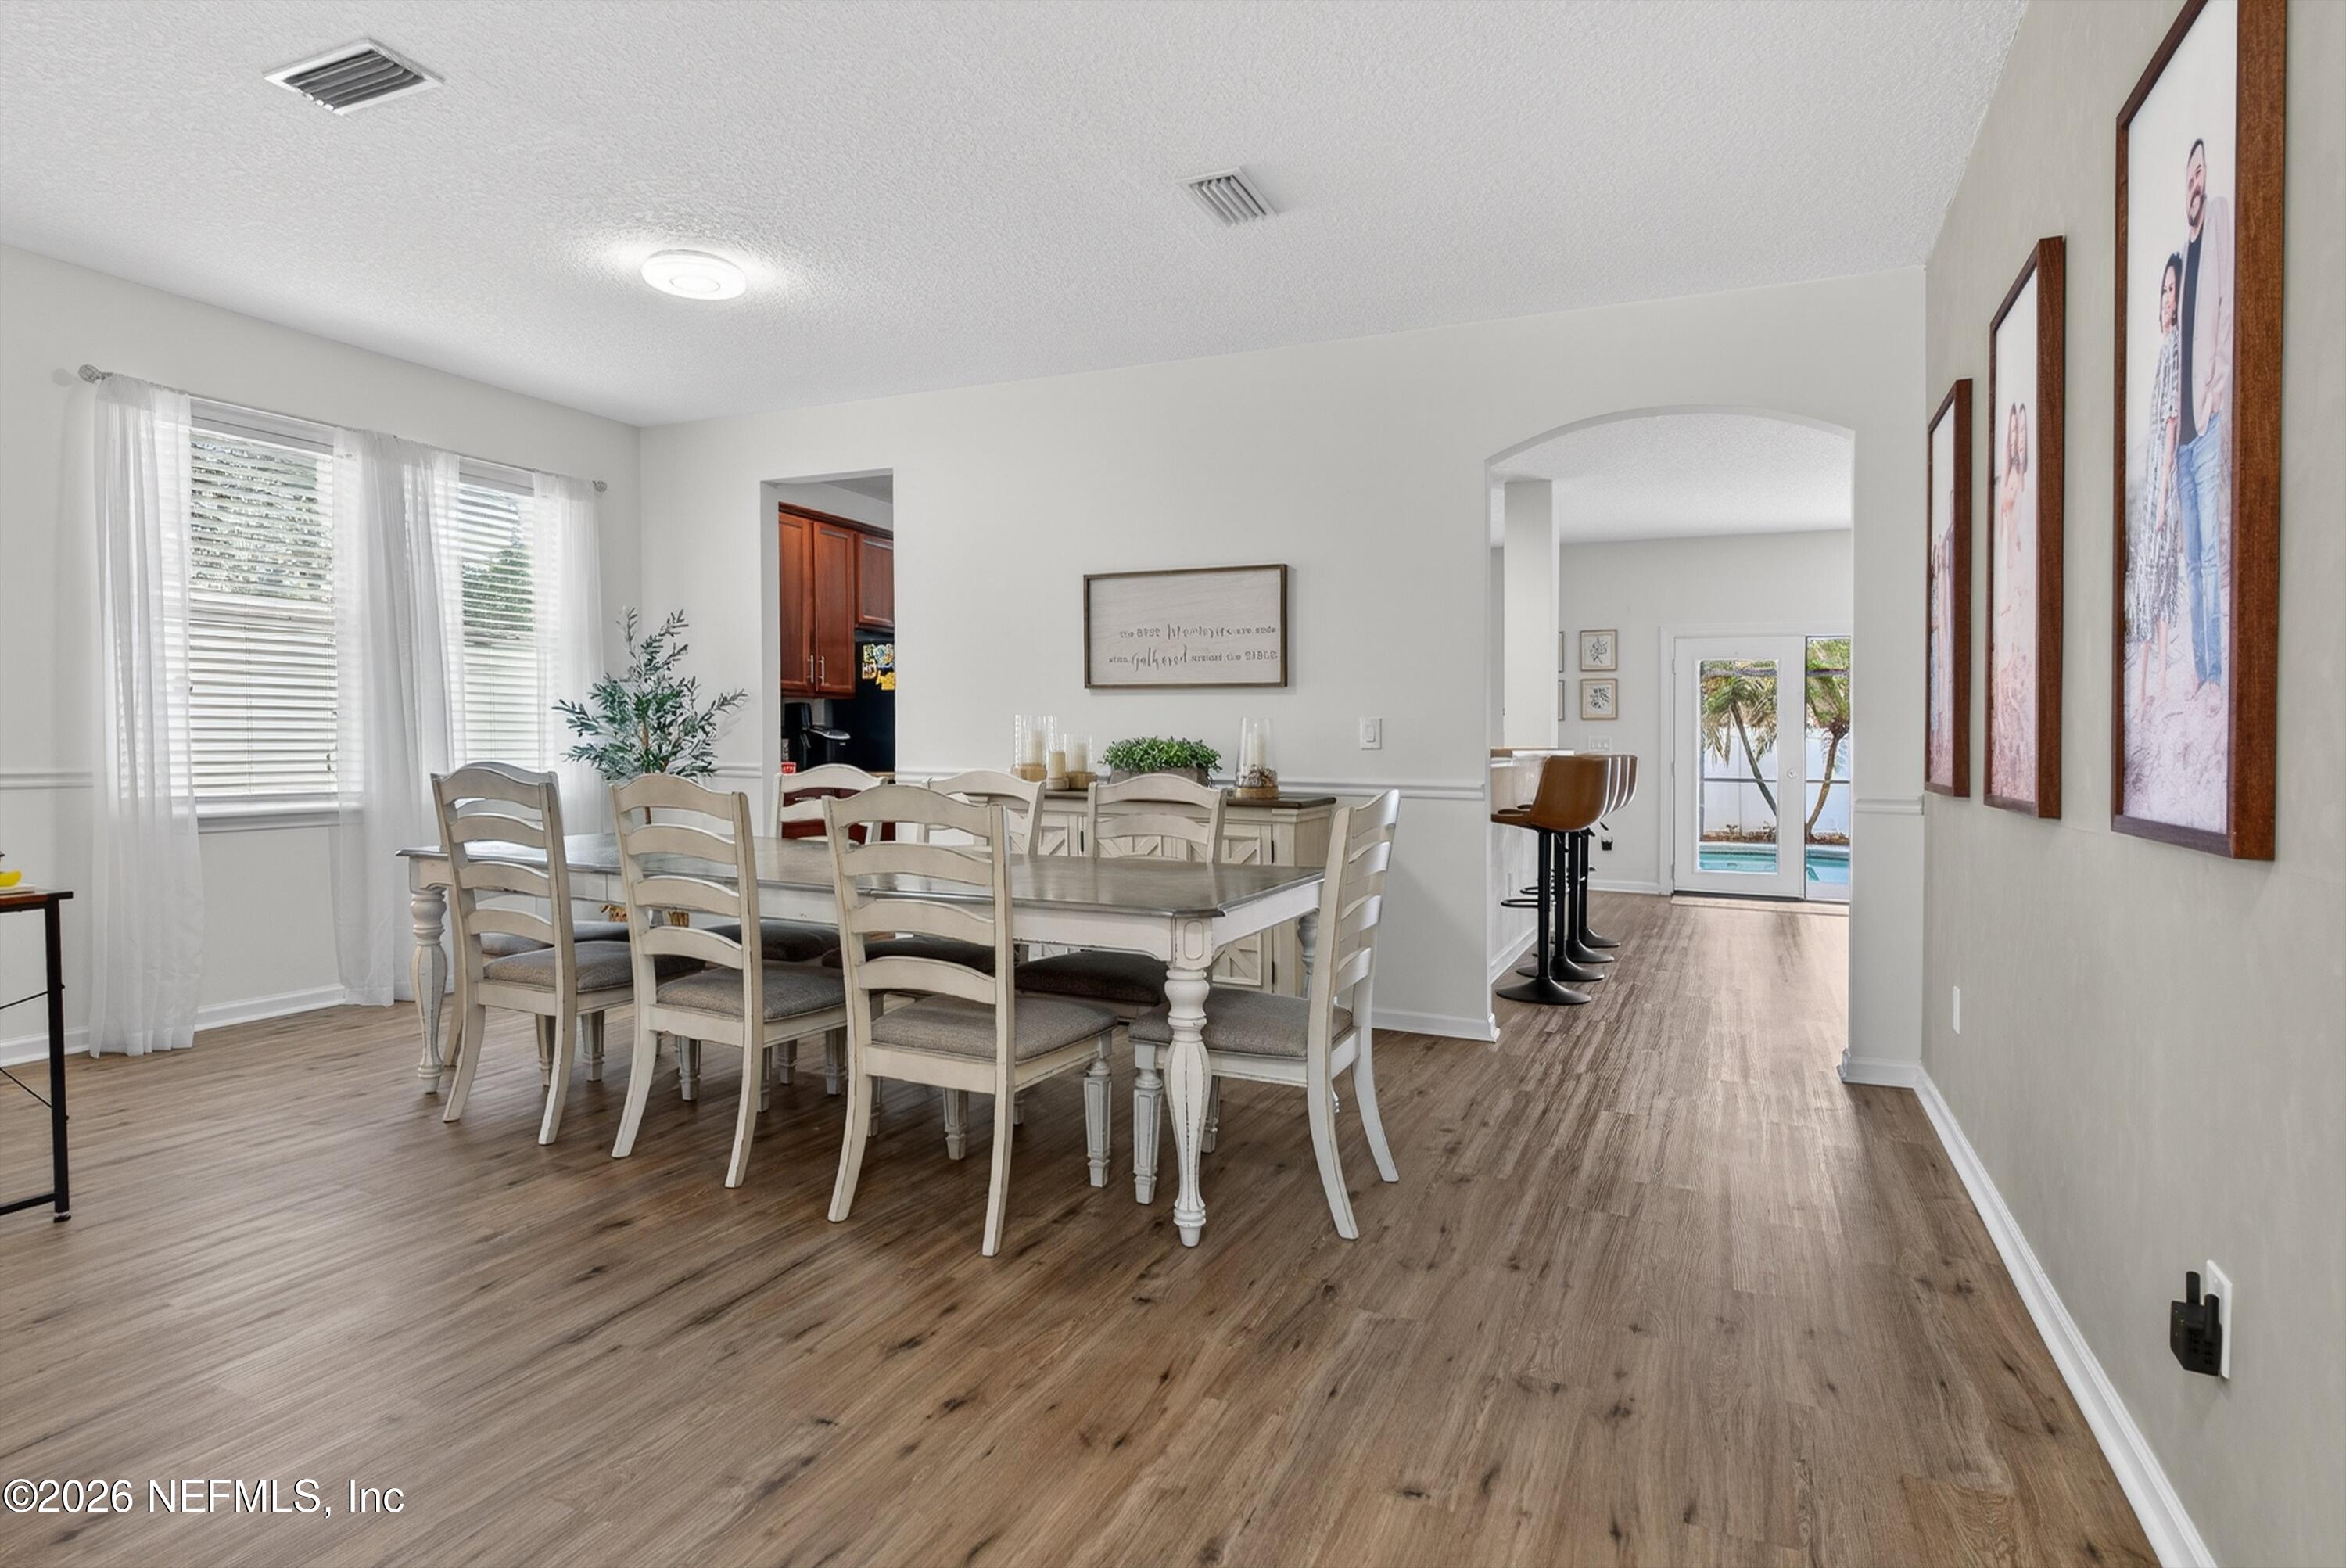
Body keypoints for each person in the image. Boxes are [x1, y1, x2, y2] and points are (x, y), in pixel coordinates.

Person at [2172, 138, 2233, 692]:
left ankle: (2217, 670)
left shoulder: (2218, 221)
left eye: (2201, 171)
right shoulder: (2183, 255)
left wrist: (2216, 388)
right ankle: (2201, 669)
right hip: (2182, 437)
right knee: (2194, 561)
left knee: (2211, 555)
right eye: (2189, 175)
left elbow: (2230, 307)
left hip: (2207, 420)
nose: (2196, 181)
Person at [2133, 253, 2186, 716]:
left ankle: (2156, 679)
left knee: (2159, 573)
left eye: (2173, 290)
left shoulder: (2174, 352)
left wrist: (2165, 486)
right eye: (2164, 290)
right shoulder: (2166, 345)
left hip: (2160, 480)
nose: (2168, 298)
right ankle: (2151, 679)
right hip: (2154, 476)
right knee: (2155, 574)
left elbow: (2172, 422)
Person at [1993, 404, 2032, 791]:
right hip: (2004, 572)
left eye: (2022, 432)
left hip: (2016, 570)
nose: (2017, 439)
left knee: (2015, 673)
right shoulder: (2007, 476)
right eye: (2013, 433)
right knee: (2004, 678)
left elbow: (2022, 535)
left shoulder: (2024, 478)